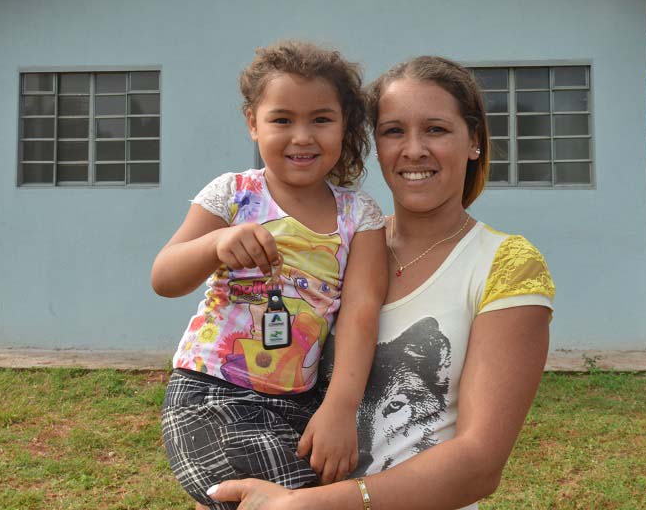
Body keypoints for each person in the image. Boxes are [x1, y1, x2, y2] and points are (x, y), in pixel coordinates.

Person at [209, 56, 555, 510]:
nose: (413, 150)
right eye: (394, 131)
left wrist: (311, 506)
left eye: (435, 129)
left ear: (473, 140)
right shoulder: (335, 247)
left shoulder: (505, 265)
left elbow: (479, 463)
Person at [151, 41, 388, 510]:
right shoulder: (232, 193)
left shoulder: (360, 215)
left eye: (321, 119)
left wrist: (339, 408)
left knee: (310, 497)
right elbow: (165, 277)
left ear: (345, 125)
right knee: (283, 499)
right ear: (251, 123)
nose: (302, 136)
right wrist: (215, 244)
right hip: (210, 396)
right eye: (282, 120)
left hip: (302, 405)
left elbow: (362, 311)